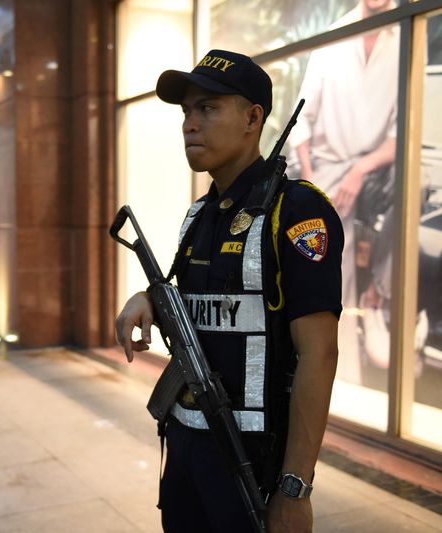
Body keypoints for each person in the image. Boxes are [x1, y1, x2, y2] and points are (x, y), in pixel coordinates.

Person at [115, 49, 343, 532]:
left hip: (251, 459)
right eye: (187, 111)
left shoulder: (298, 212)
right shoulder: (199, 215)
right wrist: (146, 299)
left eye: (208, 108)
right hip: (185, 447)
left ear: (253, 118)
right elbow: (189, 297)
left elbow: (319, 356)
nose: (190, 124)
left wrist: (294, 487)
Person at [289, 0, 399, 381]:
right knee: (331, 252)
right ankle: (337, 370)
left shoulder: (405, 37)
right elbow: (302, 119)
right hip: (322, 166)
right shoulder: (335, 36)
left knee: (416, 185)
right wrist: (311, 179)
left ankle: (378, 299)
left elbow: (403, 133)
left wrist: (360, 170)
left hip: (372, 166)